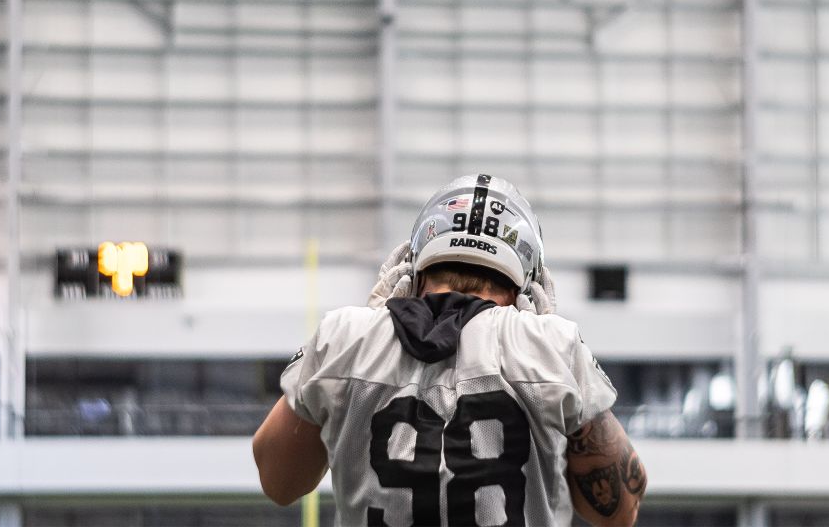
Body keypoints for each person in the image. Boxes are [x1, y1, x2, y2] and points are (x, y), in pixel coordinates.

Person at [253, 174, 646, 526]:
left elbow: (279, 481)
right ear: (524, 283)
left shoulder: (345, 337)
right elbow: (619, 510)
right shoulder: (552, 346)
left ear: (413, 269)